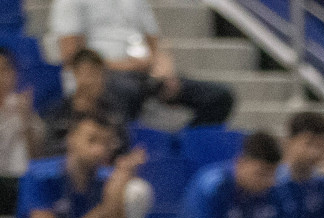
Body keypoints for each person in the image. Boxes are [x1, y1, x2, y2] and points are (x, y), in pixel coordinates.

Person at [49, 0, 233, 127]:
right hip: (104, 75)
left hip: (143, 74)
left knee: (218, 97)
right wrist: (128, 65)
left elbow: (156, 42)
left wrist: (166, 73)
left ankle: (180, 148)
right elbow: (72, 57)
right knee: (126, 90)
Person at [18, 114, 144, 218]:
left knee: (136, 191)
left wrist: (118, 197)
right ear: (71, 138)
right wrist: (108, 207)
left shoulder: (109, 179)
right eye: (92, 140)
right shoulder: (39, 175)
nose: (100, 150)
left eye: (107, 143)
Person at [182, 131, 295, 218]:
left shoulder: (276, 188)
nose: (269, 182)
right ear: (241, 162)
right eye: (262, 173)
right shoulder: (212, 186)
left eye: (273, 174)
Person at [41, 48, 121, 154]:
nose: (94, 80)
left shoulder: (113, 113)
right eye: (89, 73)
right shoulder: (58, 112)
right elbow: (49, 150)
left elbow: (121, 149)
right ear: (75, 74)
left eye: (99, 74)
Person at [0, 50, 38, 218]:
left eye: (5, 70)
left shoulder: (24, 107)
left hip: (19, 184)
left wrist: (26, 121)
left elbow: (37, 159)